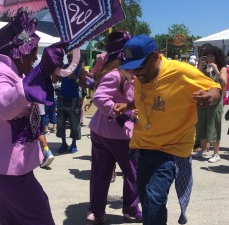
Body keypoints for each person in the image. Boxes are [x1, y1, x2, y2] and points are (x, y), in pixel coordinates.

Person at [115, 34, 221, 225]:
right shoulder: (142, 75)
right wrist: (128, 106)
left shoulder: (180, 72)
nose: (136, 73)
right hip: (143, 145)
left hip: (171, 148)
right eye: (131, 67)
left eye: (139, 66)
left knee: (154, 197)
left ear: (155, 56)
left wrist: (209, 96)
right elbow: (147, 99)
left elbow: (215, 87)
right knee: (145, 198)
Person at [0, 9, 67, 224]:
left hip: (4, 167)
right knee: (41, 218)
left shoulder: (5, 69)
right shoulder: (0, 72)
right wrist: (39, 73)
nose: (35, 58)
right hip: (9, 170)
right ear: (19, 51)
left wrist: (41, 73)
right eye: (33, 52)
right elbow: (2, 106)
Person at [86, 31, 142, 225]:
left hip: (102, 132)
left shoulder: (115, 71)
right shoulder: (116, 74)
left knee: (101, 174)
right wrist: (122, 111)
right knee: (133, 174)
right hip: (118, 135)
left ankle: (97, 211)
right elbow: (100, 98)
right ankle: (130, 209)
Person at [193, 45, 227, 162]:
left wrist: (216, 70)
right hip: (204, 100)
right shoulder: (204, 68)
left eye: (211, 56)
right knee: (201, 124)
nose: (209, 58)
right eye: (207, 56)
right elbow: (194, 79)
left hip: (216, 102)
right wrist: (199, 68)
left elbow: (223, 83)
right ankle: (203, 149)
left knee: (213, 126)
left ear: (217, 57)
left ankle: (216, 153)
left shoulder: (222, 68)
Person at [52, 52, 87, 153]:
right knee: (61, 123)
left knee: (74, 123)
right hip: (62, 99)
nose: (69, 59)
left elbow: (85, 85)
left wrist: (75, 78)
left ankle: (73, 143)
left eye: (71, 57)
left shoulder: (80, 69)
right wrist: (56, 70)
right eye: (68, 57)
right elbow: (54, 81)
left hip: (74, 100)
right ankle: (63, 143)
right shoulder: (63, 68)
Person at [38, 104, 54, 168]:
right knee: (40, 132)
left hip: (30, 109)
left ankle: (46, 153)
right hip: (41, 109)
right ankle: (47, 152)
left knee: (37, 131)